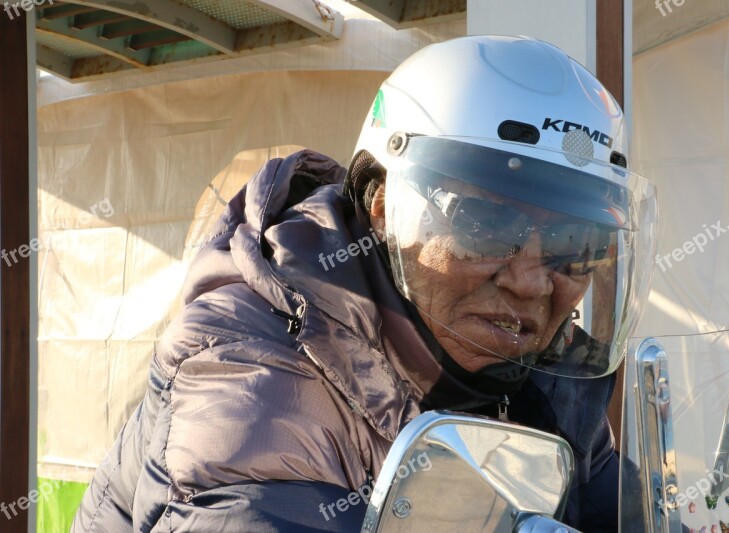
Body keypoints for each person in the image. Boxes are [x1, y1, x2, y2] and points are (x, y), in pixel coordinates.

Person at [72, 35, 657, 532]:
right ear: (381, 206)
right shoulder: (250, 367)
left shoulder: (545, 379)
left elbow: (620, 512)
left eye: (575, 246)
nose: (531, 280)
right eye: (486, 223)